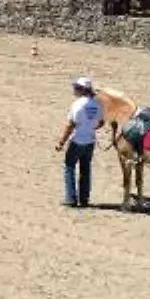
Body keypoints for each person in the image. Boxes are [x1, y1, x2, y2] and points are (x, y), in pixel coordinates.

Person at [54, 76, 104, 208]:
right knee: (85, 169)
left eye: (76, 88)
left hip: (77, 141)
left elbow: (70, 125)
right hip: (90, 141)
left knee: (69, 167)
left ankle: (70, 198)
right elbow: (101, 122)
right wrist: (90, 127)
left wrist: (61, 142)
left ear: (81, 90)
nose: (74, 90)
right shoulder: (96, 104)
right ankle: (84, 199)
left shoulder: (77, 104)